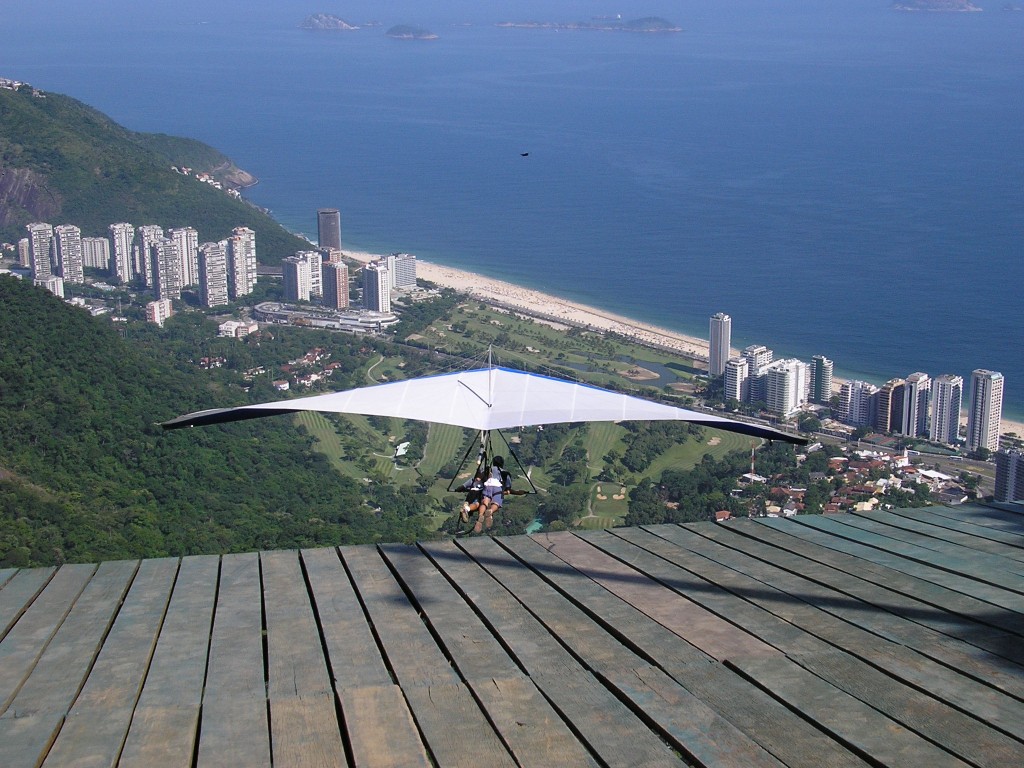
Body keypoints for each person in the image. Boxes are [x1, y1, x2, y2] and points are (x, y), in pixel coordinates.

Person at [476, 455, 525, 533]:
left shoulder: (488, 470)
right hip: (497, 487)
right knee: (496, 503)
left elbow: (479, 477)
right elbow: (508, 489)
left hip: (487, 485)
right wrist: (518, 492)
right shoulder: (505, 473)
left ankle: (481, 514)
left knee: (484, 502)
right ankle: (491, 511)